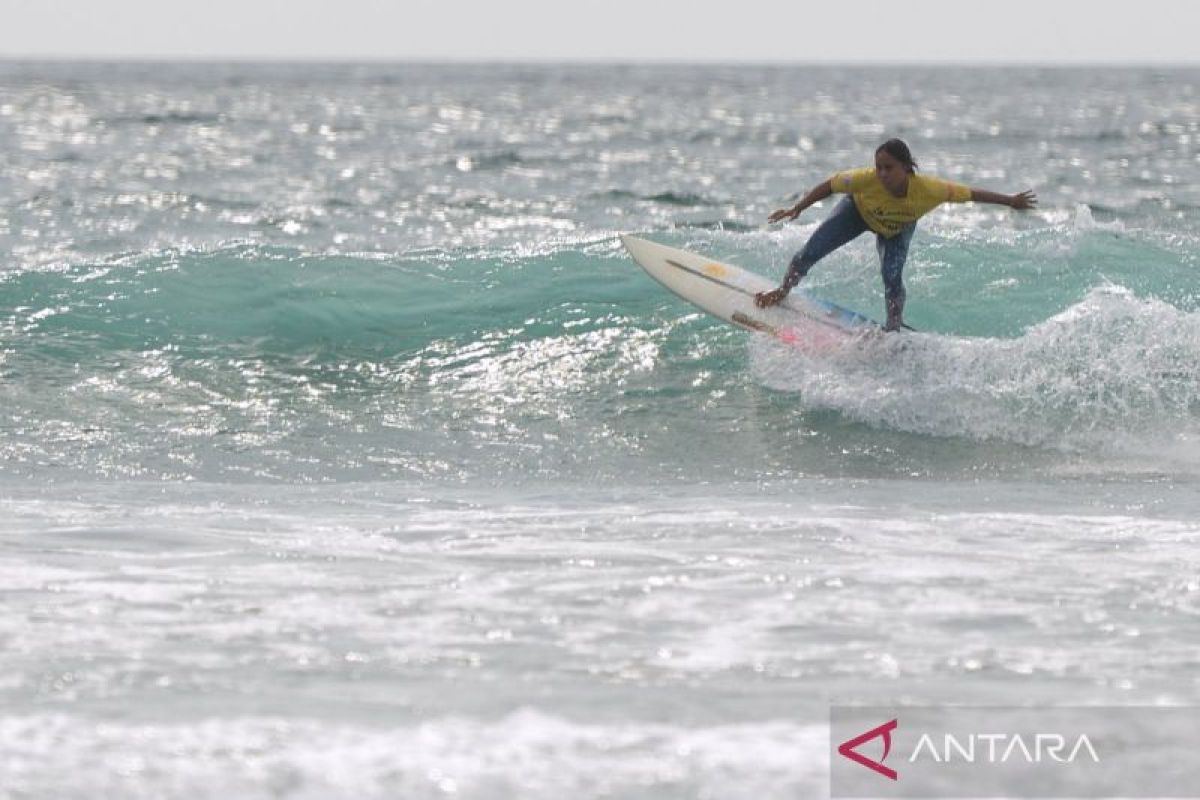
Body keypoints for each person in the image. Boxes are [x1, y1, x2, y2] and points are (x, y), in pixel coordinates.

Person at [754, 139, 1037, 331]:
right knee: (810, 252)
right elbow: (830, 185)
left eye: (889, 168)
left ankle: (893, 327)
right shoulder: (865, 179)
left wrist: (1010, 201)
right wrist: (797, 208)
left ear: (906, 167)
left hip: (896, 229)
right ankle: (782, 291)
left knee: (892, 278)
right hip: (857, 213)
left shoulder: (931, 189)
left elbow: (972, 194)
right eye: (879, 167)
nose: (882, 174)